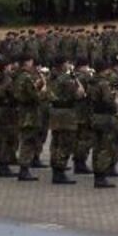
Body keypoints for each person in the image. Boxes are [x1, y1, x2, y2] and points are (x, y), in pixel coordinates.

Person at [47, 56, 85, 184]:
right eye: (68, 62)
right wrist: (77, 82)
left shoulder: (50, 76)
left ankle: (55, 168)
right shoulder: (67, 79)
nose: (69, 65)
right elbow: (79, 94)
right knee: (65, 143)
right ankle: (60, 171)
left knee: (56, 141)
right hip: (66, 113)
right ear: (63, 64)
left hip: (55, 111)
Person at [85, 57, 118, 189]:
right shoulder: (103, 84)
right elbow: (108, 101)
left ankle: (97, 174)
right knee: (105, 147)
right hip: (104, 117)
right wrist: (115, 99)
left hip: (94, 115)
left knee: (97, 146)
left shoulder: (91, 82)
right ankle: (101, 176)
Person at [13, 54, 44, 182]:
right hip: (29, 114)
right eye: (31, 62)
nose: (32, 64)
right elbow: (34, 96)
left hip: (23, 112)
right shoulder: (26, 77)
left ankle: (24, 168)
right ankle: (24, 169)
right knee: (28, 141)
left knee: (26, 140)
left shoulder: (18, 76)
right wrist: (42, 91)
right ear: (26, 63)